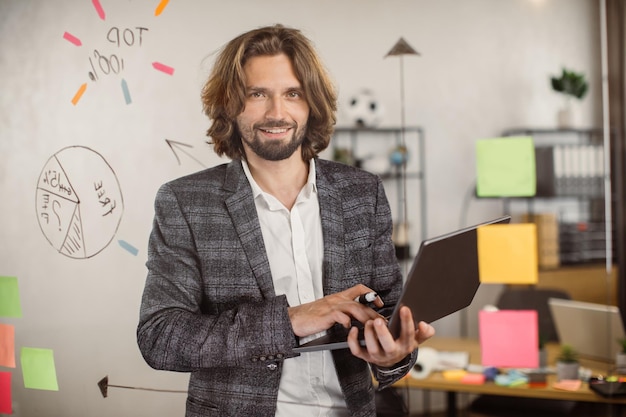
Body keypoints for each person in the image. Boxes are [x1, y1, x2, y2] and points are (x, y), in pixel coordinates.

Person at [137, 24, 435, 417]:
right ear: (229, 103)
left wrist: (392, 354)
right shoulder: (185, 202)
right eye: (256, 94)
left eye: (292, 93)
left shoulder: (362, 193)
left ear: (311, 103)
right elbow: (161, 337)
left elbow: (390, 315)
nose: (276, 113)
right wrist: (291, 319)